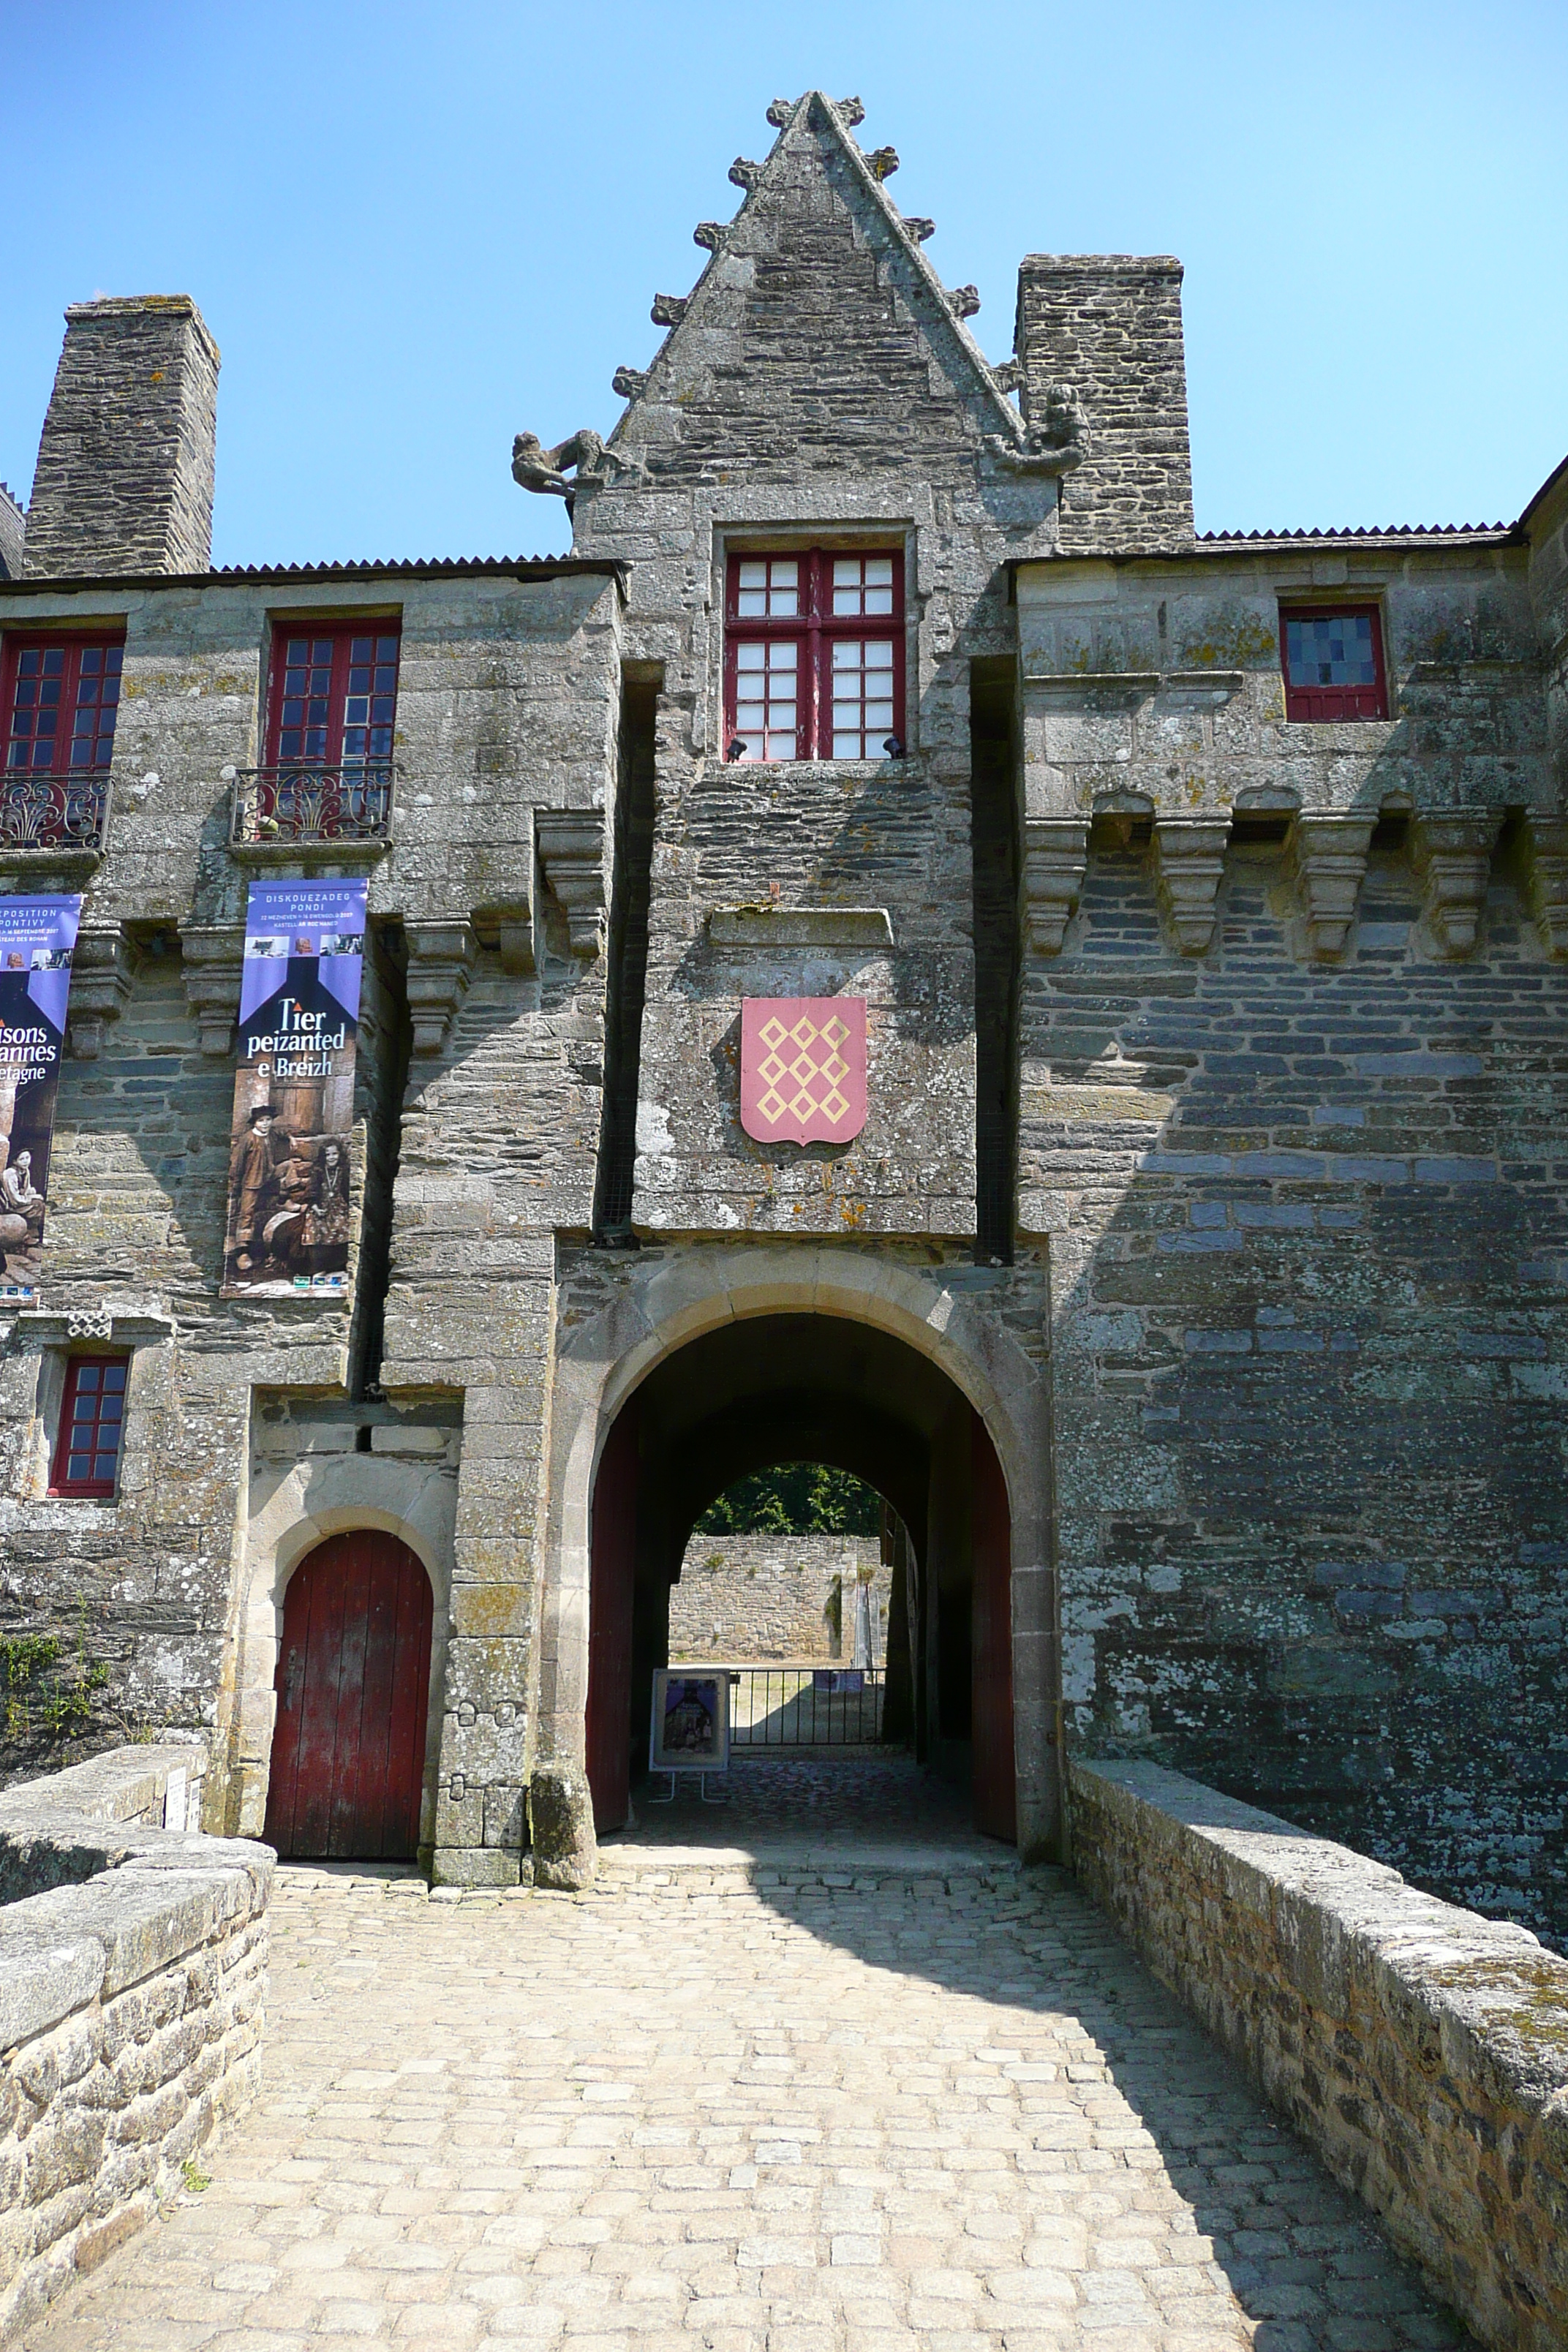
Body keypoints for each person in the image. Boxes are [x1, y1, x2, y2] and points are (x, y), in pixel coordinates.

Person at [228, 1104, 278, 1274]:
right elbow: (237, 1163)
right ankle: (242, 1253)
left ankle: (264, 1250)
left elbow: (282, 1133)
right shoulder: (248, 1139)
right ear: (255, 1122)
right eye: (261, 1121)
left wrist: (292, 1137)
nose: (265, 1124)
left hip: (268, 1179)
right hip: (251, 1182)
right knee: (246, 1215)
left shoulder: (270, 1135)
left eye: (268, 1120)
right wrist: (235, 1183)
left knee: (288, 1168)